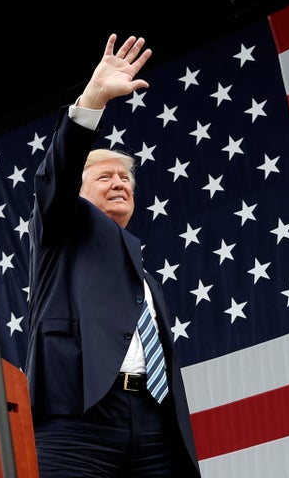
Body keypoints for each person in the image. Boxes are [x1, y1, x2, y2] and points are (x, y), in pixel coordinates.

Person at [24, 33, 201, 477]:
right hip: (76, 416)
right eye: (105, 176)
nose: (120, 182)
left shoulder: (138, 270)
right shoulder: (59, 230)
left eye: (126, 179)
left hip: (153, 419)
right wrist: (93, 100)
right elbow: (59, 172)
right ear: (78, 192)